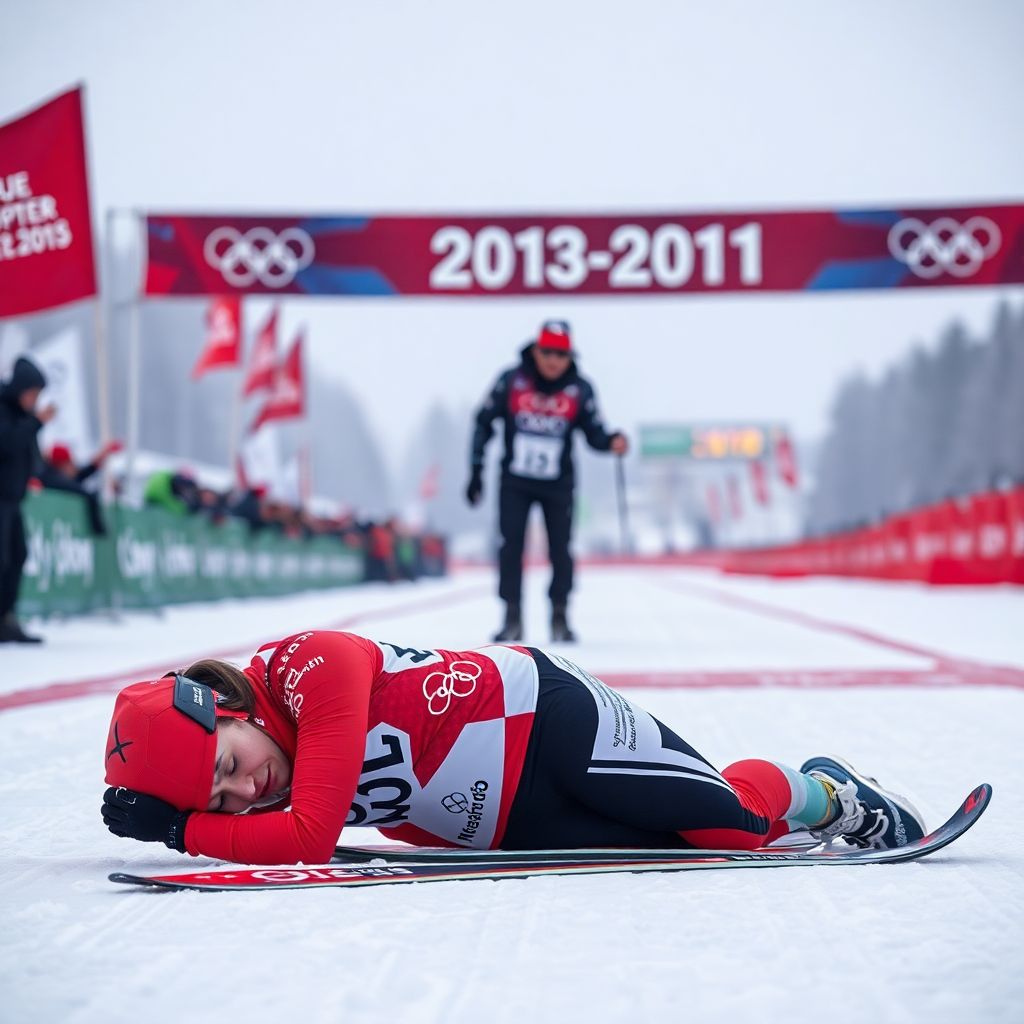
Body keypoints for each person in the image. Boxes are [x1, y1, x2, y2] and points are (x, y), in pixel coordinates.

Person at [101, 629, 926, 865]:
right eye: (220, 801)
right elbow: (280, 829)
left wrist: (181, 834)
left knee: (732, 828)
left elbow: (310, 838)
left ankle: (832, 793)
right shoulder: (257, 767)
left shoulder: (314, 667)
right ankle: (803, 805)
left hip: (550, 723)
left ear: (229, 705)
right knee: (696, 852)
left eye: (228, 766)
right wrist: (195, 815)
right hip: (495, 824)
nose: (244, 792)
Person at [466, 320, 628, 643]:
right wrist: (476, 470)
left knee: (561, 550)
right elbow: (483, 422)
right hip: (515, 481)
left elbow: (593, 433)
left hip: (558, 483)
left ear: (570, 357)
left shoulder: (580, 389)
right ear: (536, 351)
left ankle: (560, 616)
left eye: (562, 354)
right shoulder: (512, 381)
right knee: (510, 546)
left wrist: (612, 441)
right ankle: (511, 617)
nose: (554, 361)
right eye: (548, 353)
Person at [0, 356, 55, 644]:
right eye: (32, 393)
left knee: (17, 556)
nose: (35, 400)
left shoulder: (23, 416)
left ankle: (6, 618)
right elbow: (6, 443)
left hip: (13, 499)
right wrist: (36, 422)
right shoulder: (5, 410)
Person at [38, 440, 123, 536]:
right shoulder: (52, 478)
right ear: (62, 464)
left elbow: (78, 477)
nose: (73, 466)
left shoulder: (54, 476)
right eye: (70, 462)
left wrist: (100, 458)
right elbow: (78, 487)